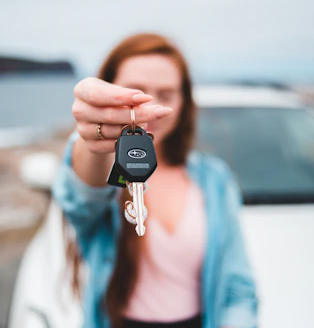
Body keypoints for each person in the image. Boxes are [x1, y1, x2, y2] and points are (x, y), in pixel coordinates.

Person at [52, 33, 257, 328]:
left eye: (165, 93)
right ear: (109, 92)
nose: (148, 107)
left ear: (184, 100)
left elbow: (238, 290)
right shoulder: (106, 171)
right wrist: (91, 140)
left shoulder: (215, 179)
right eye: (136, 93)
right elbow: (81, 198)